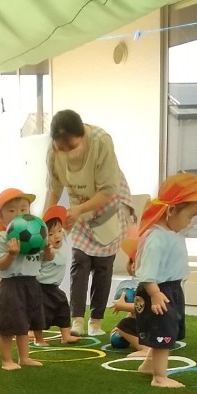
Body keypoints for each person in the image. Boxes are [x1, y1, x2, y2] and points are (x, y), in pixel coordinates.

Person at [43, 109, 133, 338]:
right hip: (79, 205)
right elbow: (53, 190)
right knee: (80, 261)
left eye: (71, 147)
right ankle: (77, 320)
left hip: (107, 203)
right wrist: (45, 224)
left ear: (82, 136)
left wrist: (79, 210)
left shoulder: (101, 142)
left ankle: (96, 321)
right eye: (61, 148)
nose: (66, 152)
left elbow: (108, 190)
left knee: (103, 265)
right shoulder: (53, 153)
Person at [134, 173, 197, 387]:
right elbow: (147, 273)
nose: (192, 223)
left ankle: (149, 365)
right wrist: (155, 294)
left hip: (169, 289)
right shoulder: (157, 238)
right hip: (158, 291)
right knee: (162, 334)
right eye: (190, 216)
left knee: (166, 330)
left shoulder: (170, 233)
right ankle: (159, 377)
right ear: (171, 210)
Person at [0, 187, 47, 370]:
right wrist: (11, 254)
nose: (18, 214)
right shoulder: (0, 239)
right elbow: (0, 264)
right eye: (11, 210)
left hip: (31, 283)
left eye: (23, 209)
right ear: (1, 217)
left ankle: (24, 357)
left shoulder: (36, 233)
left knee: (25, 324)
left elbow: (47, 258)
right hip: (10, 285)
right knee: (8, 326)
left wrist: (48, 249)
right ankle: (7, 360)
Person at [34, 206, 82, 346]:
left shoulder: (64, 237)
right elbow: (49, 257)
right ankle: (38, 339)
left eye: (59, 231)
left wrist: (75, 213)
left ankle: (66, 336)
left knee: (63, 307)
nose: (57, 236)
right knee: (40, 313)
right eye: (51, 234)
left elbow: (68, 225)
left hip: (54, 287)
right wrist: (48, 250)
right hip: (40, 287)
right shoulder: (45, 249)